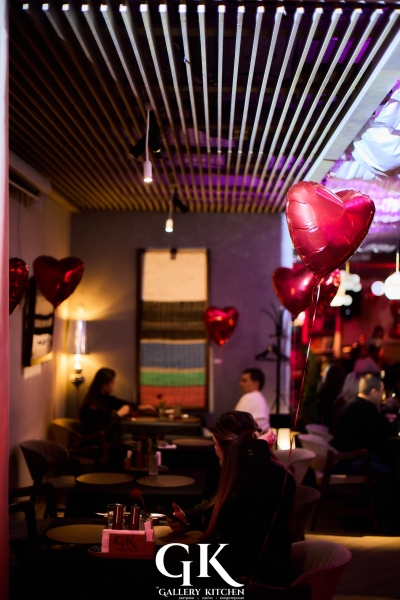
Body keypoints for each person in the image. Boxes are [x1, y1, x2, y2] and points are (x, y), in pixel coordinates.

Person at [167, 411, 295, 587]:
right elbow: (218, 503)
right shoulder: (244, 475)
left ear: (228, 449)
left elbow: (230, 516)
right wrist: (188, 517)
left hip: (256, 583)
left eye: (215, 444)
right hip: (235, 569)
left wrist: (259, 445)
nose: (214, 449)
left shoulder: (268, 479)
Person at [332, 372, 397, 514]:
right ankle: (379, 513)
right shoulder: (366, 408)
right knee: (390, 472)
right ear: (373, 392)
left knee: (386, 460)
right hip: (349, 461)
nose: (382, 396)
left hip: (344, 458)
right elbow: (389, 429)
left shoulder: (354, 403)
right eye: (381, 391)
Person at [79, 368, 131, 443]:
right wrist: (118, 415)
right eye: (112, 383)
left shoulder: (106, 398)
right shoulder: (92, 405)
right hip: (96, 445)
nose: (114, 386)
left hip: (105, 442)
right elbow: (101, 431)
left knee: (131, 442)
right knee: (132, 443)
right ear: (104, 384)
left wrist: (141, 408)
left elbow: (122, 403)